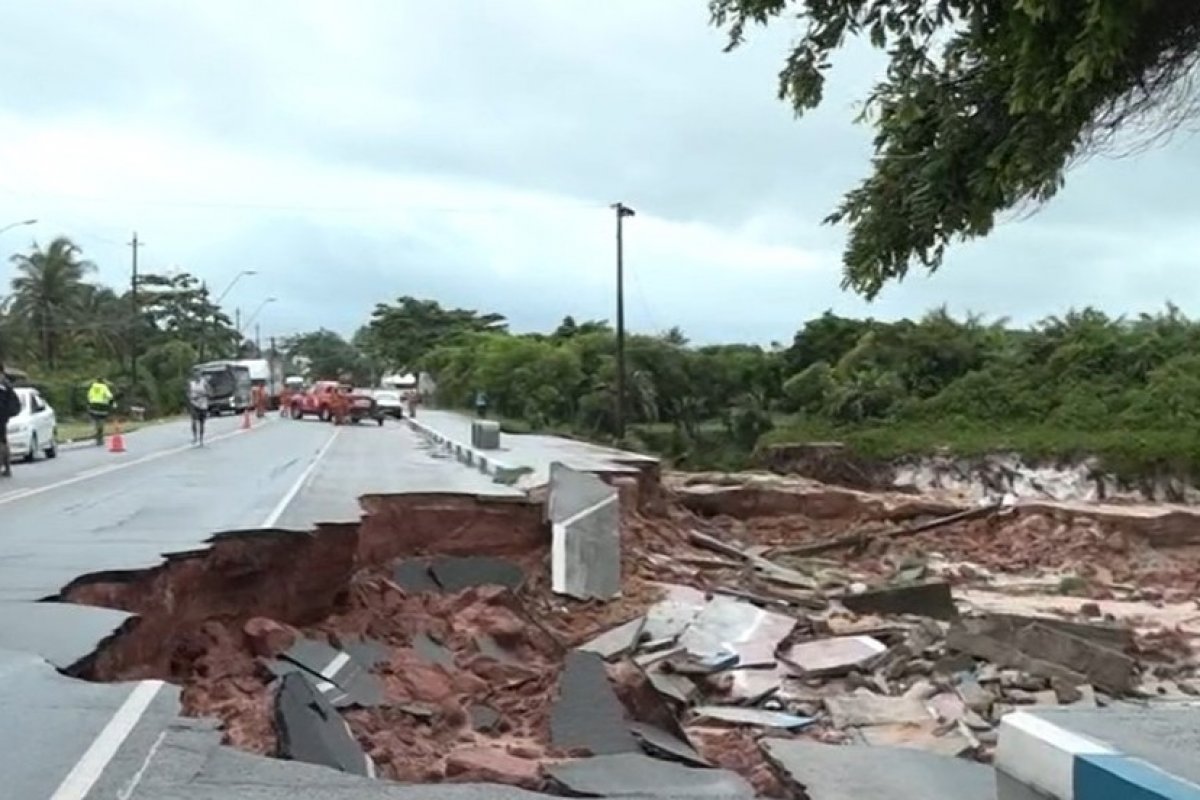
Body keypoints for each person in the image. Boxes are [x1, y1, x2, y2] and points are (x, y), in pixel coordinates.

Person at [0, 362, 19, 478]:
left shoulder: (4, 385)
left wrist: (6, 414)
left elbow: (12, 403)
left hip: (1, 416)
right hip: (3, 416)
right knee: (3, 441)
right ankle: (6, 466)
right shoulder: (7, 384)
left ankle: (5, 465)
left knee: (2, 442)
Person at [86, 377, 114, 446]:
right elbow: (109, 396)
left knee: (95, 419)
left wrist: (90, 403)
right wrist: (111, 403)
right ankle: (100, 435)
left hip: (93, 406)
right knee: (101, 420)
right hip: (102, 406)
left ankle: (97, 432)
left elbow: (89, 396)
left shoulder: (92, 387)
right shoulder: (104, 387)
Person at [186, 371, 212, 446]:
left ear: (200, 376)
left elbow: (210, 393)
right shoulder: (191, 383)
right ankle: (195, 437)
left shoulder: (204, 383)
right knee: (193, 421)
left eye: (198, 376)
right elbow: (188, 393)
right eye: (195, 376)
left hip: (203, 404)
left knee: (201, 423)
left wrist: (204, 395)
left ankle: (201, 439)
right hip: (194, 404)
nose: (196, 377)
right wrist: (191, 397)